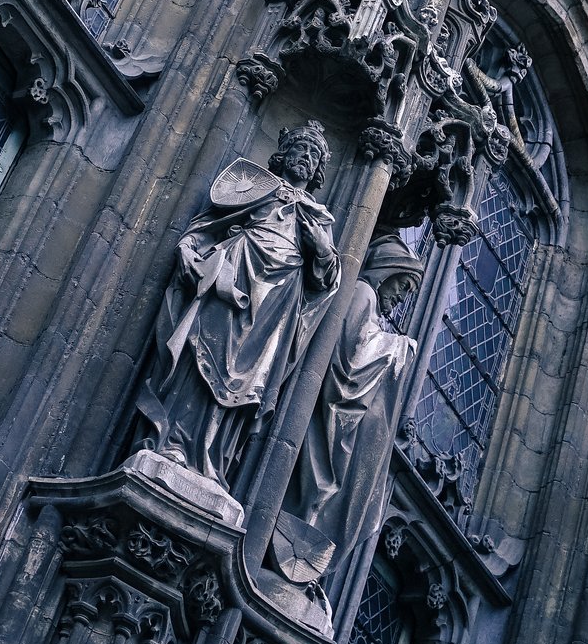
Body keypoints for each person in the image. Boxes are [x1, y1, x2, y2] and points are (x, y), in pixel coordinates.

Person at [133, 121, 340, 489]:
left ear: (320, 169)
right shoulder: (259, 188)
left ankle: (212, 461)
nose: (305, 158)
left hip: (278, 303)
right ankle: (175, 442)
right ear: (284, 153)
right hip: (235, 276)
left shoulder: (318, 217)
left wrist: (321, 249)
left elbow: (327, 280)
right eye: (301, 148)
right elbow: (208, 223)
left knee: (250, 384)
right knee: (203, 355)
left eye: (314, 155)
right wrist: (187, 246)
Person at [288, 233, 423, 594]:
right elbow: (348, 363)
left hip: (344, 419)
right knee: (321, 479)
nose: (399, 296)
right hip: (333, 415)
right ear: (385, 271)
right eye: (401, 285)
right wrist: (396, 347)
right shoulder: (362, 292)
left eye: (408, 292)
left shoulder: (372, 305)